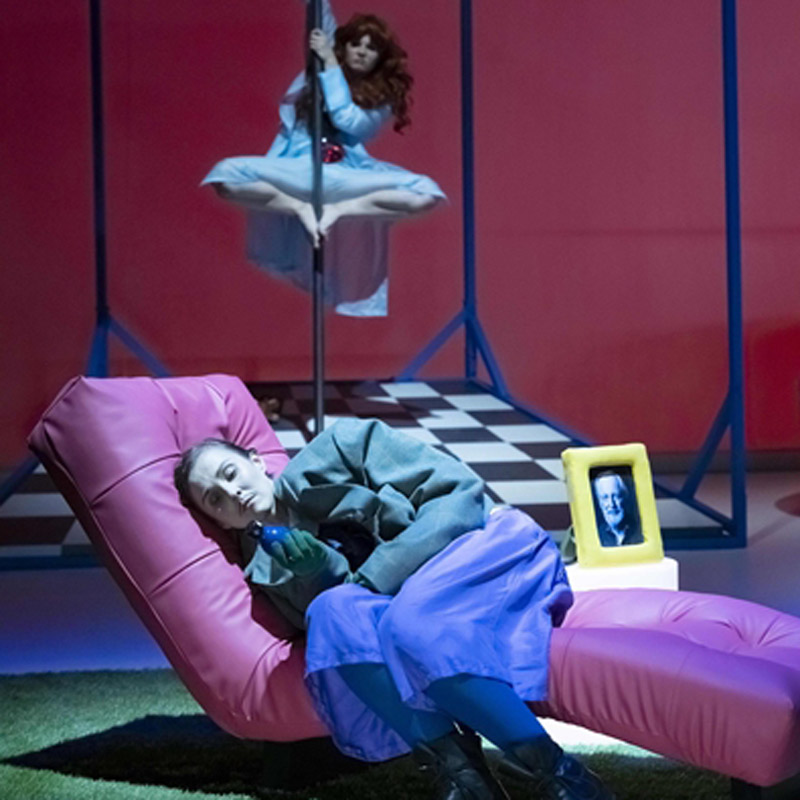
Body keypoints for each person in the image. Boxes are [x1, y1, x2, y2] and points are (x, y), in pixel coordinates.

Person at [174, 417, 615, 800]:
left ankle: (561, 774)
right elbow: (346, 626)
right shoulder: (266, 572)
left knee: (409, 623)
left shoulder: (345, 444)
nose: (231, 492)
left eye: (230, 473)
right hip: (409, 603)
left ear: (255, 460)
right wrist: (319, 572)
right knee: (330, 615)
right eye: (216, 499)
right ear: (221, 523)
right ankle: (462, 776)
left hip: (481, 546)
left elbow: (457, 494)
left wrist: (370, 578)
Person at [201, 0, 445, 316]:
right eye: (356, 44)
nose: (361, 52)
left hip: (343, 175)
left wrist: (330, 62)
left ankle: (339, 211)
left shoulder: (381, 99)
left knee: (425, 194)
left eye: (371, 48)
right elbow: (320, 15)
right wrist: (327, 56)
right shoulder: (317, 70)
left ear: (380, 59)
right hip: (298, 169)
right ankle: (298, 207)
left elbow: (348, 120)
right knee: (225, 177)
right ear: (344, 46)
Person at [592, 470, 643, 547]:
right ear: (599, 502)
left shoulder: (641, 531)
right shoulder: (595, 536)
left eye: (616, 496)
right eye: (605, 497)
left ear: (625, 496)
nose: (611, 504)